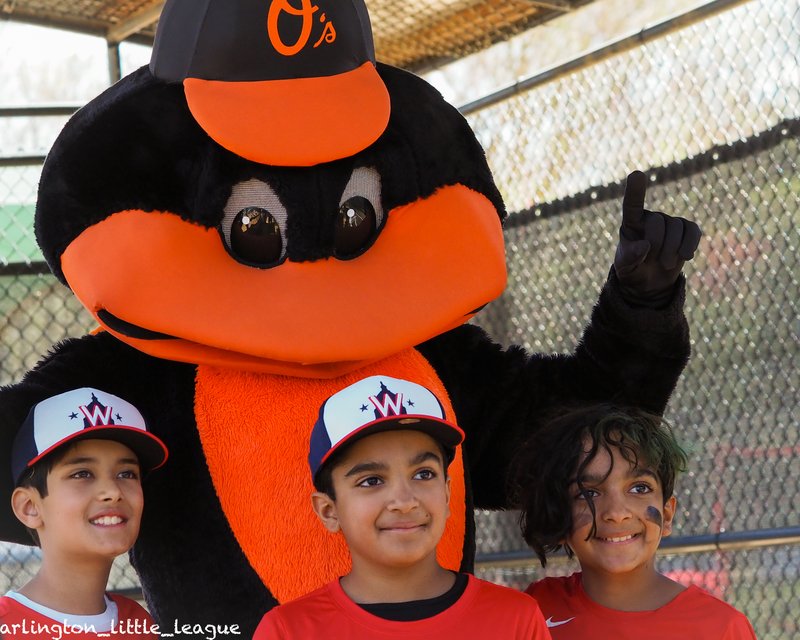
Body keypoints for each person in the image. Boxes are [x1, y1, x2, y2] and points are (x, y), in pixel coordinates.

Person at [254, 374, 551, 639]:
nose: (405, 502)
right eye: (371, 480)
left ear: (447, 495)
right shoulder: (288, 631)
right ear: (329, 511)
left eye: (424, 474)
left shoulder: (515, 619)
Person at [512, 404, 757, 639]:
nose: (617, 513)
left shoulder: (720, 628)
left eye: (639, 488)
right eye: (589, 493)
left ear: (668, 515)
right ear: (557, 517)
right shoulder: (534, 609)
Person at [0, 387, 168, 638]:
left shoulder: (140, 624)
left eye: (127, 474)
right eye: (82, 474)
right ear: (30, 507)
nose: (112, 491)